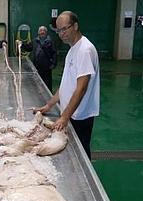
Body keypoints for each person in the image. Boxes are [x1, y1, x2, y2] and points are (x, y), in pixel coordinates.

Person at [33, 11, 100, 160]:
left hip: (81, 115)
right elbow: (66, 84)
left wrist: (64, 117)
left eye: (64, 29)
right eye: (58, 30)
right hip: (72, 112)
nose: (61, 34)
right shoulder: (72, 49)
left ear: (75, 26)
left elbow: (81, 88)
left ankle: (85, 183)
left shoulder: (84, 50)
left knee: (81, 153)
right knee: (72, 152)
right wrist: (49, 105)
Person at [22, 26, 57, 91]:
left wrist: (53, 64)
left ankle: (48, 96)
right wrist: (22, 45)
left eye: (44, 30)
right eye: (40, 30)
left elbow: (54, 53)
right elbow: (29, 48)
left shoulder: (50, 42)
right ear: (38, 32)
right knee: (37, 83)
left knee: (47, 83)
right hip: (36, 66)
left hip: (46, 67)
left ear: (46, 32)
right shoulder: (35, 41)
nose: (42, 32)